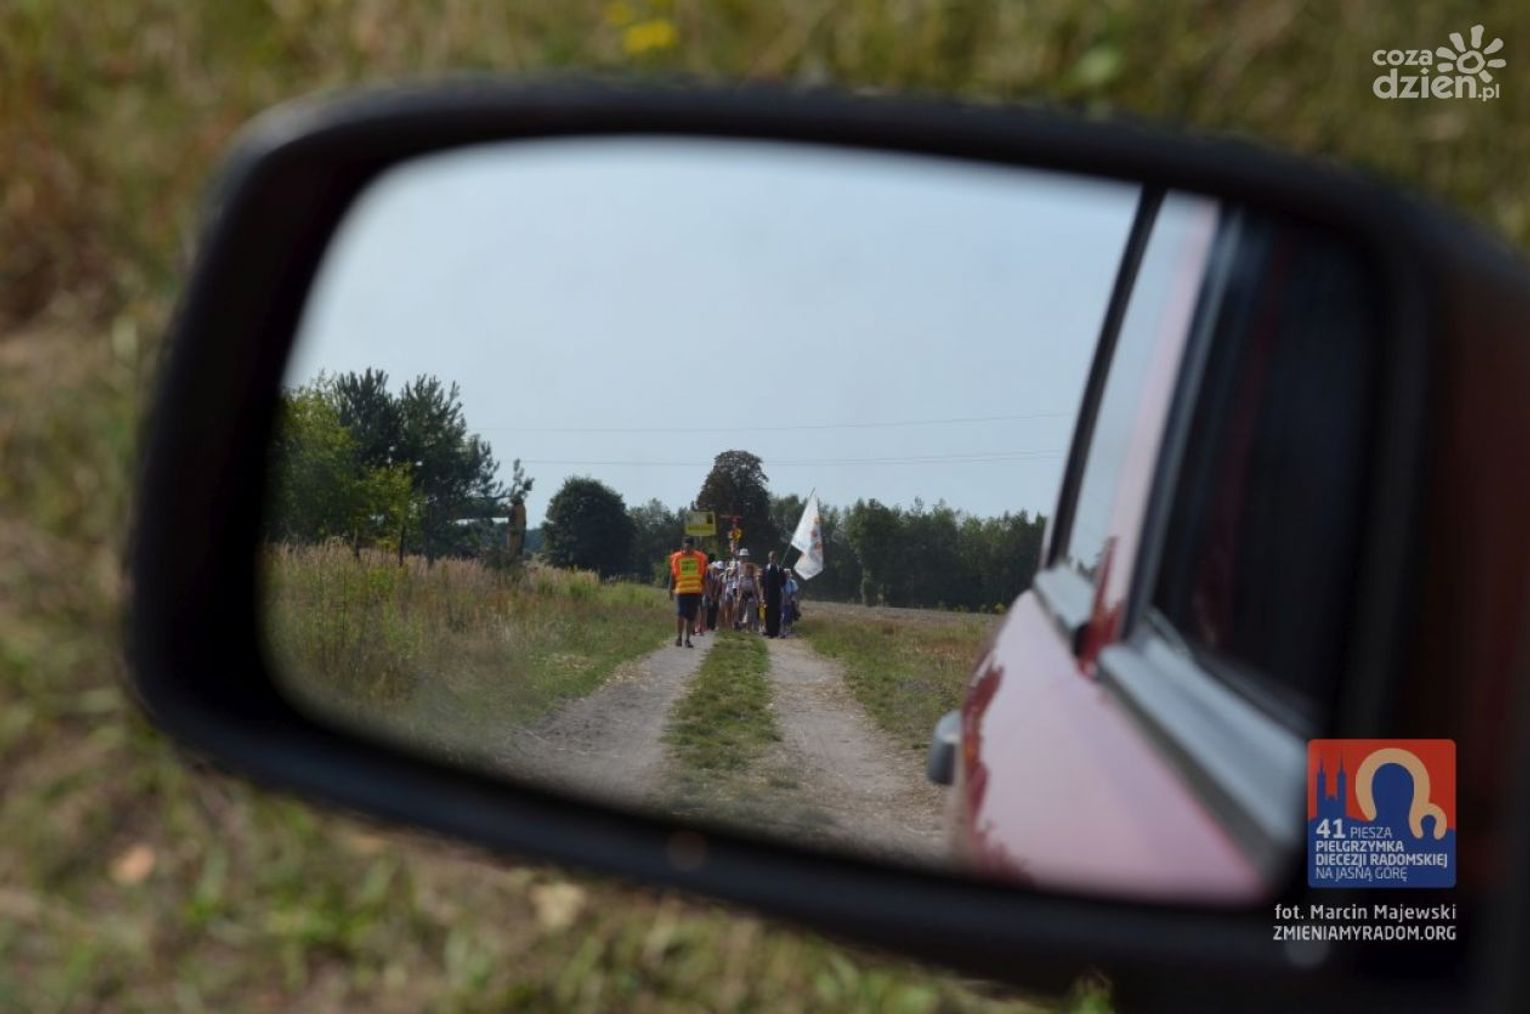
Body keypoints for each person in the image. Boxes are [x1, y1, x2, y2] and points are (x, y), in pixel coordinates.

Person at [667, 535, 708, 648]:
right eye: (686, 546)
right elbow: (672, 575)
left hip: (695, 591)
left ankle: (687, 639)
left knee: (691, 617)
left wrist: (705, 590)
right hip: (681, 591)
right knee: (680, 614)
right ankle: (679, 637)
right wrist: (670, 589)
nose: (688, 549)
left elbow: (703, 576)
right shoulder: (677, 557)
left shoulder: (700, 557)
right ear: (683, 546)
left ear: (693, 546)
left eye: (690, 546)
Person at [735, 548, 760, 632]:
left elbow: (755, 587)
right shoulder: (738, 568)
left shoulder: (752, 577)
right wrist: (738, 595)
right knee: (739, 607)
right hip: (741, 591)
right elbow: (739, 585)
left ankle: (746, 625)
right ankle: (739, 623)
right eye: (742, 556)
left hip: (750, 593)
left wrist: (757, 596)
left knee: (749, 609)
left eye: (745, 556)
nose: (744, 558)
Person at [762, 550, 786, 637]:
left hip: (777, 594)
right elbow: (762, 582)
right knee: (767, 612)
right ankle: (768, 630)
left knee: (776, 612)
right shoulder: (765, 569)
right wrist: (762, 594)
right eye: (771, 558)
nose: (773, 559)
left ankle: (776, 631)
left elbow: (783, 582)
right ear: (769, 558)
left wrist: (780, 580)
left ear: (776, 558)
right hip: (767, 594)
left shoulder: (780, 569)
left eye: (774, 558)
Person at [782, 568, 800, 637]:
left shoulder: (793, 582)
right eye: (786, 574)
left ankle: (788, 630)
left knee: (790, 615)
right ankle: (783, 630)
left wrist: (792, 598)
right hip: (782, 601)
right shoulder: (781, 582)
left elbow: (795, 592)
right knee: (783, 615)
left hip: (791, 601)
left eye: (788, 574)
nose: (787, 575)